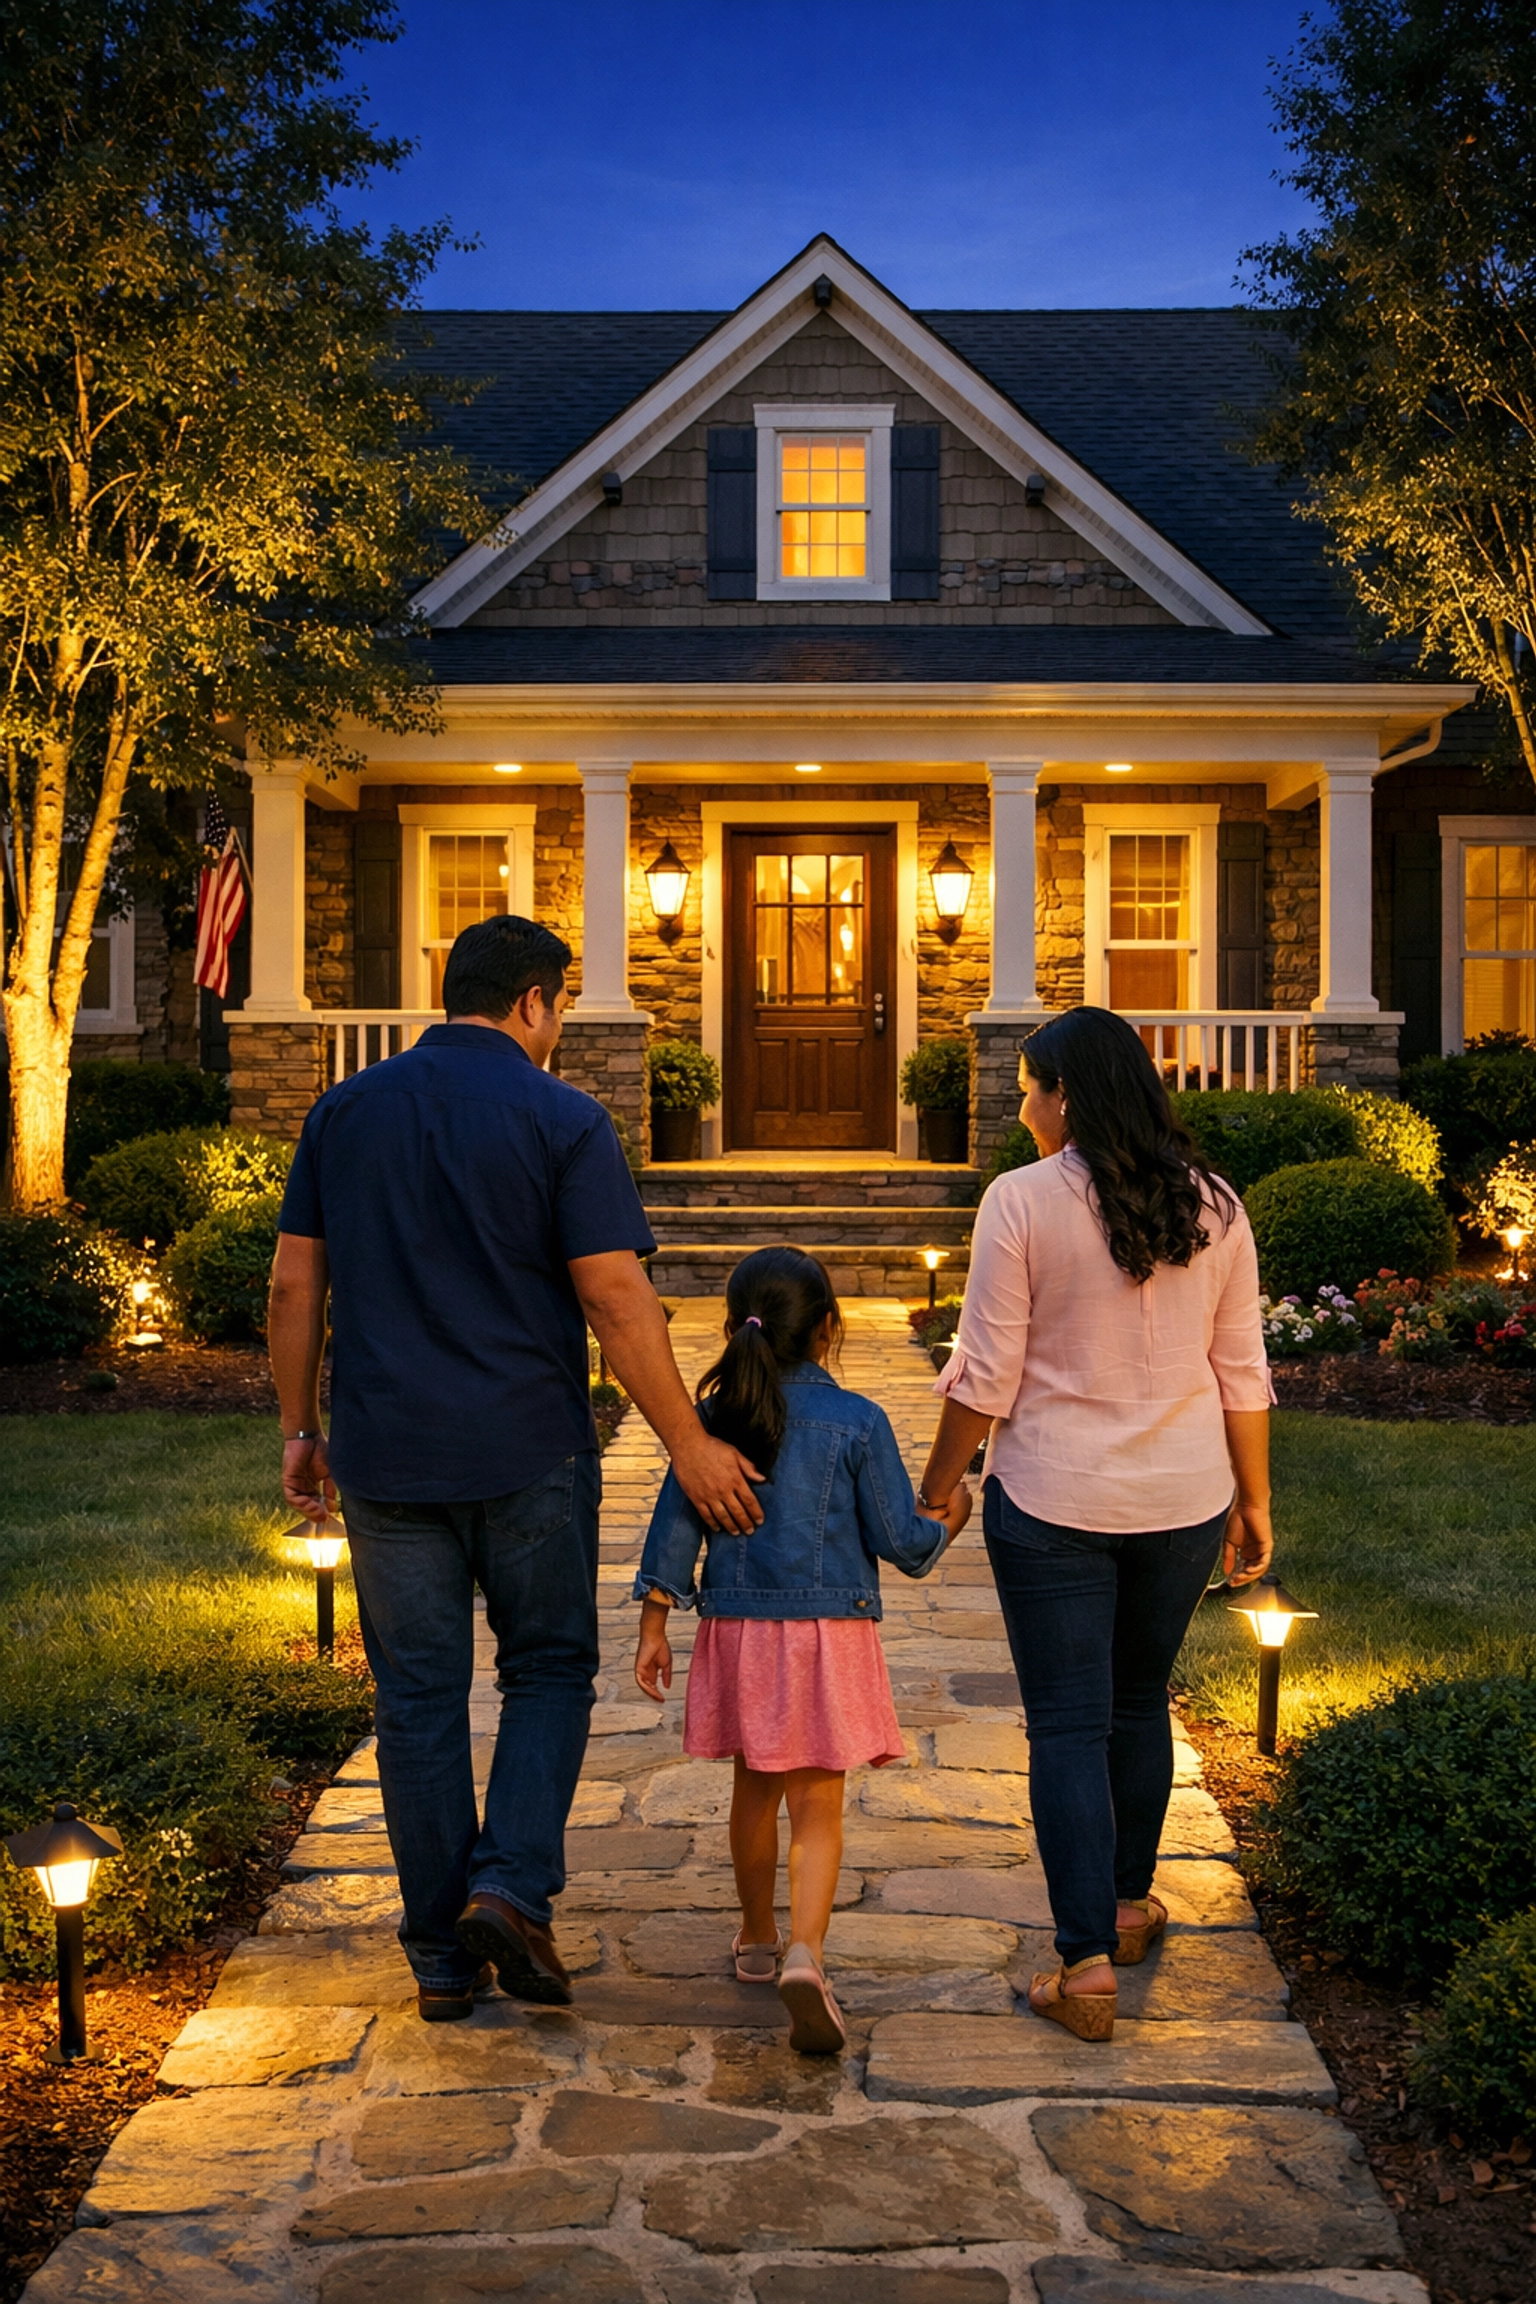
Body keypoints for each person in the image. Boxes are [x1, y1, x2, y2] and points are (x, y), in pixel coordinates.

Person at [268, 914, 764, 2024]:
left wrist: (302, 1429)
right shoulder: (562, 1118)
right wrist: (688, 1441)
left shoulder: (343, 1112)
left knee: (418, 1700)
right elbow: (614, 1294)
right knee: (544, 1671)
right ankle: (510, 1885)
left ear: (452, 994)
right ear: (535, 1003)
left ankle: (443, 1956)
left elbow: (296, 1288)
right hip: (529, 1452)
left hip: (388, 1455)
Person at [917, 1006, 1273, 2043]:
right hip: (1183, 1500)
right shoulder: (1214, 1203)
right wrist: (1253, 1500)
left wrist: (943, 1483)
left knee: (1070, 1722)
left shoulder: (1021, 1201)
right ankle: (1122, 1907)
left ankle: (1082, 1968)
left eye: (1028, 1086)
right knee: (1135, 1700)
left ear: (1065, 1093)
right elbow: (1241, 1372)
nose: (1020, 1105)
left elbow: (986, 1370)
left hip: (1055, 1501)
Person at [632, 1247, 970, 2053]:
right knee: (819, 1805)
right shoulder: (859, 1421)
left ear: (733, 1326)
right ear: (829, 1329)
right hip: (831, 1636)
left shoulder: (711, 1421)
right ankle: (808, 1956)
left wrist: (654, 1623)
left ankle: (756, 1937)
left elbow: (676, 1524)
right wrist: (950, 1518)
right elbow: (902, 1543)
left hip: (740, 1631)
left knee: (756, 1791)